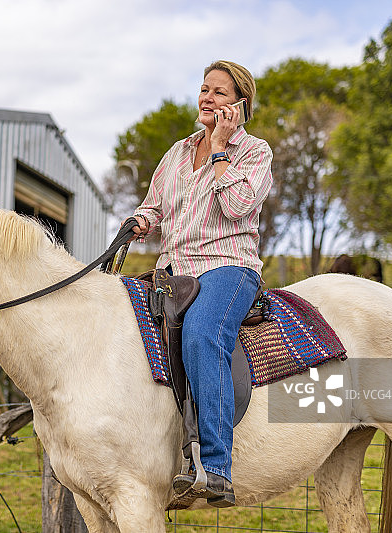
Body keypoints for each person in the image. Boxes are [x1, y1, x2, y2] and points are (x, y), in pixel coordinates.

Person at [128, 60, 273, 507]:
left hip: (227, 266)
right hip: (173, 270)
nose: (207, 98)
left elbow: (238, 206)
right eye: (204, 89)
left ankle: (214, 467)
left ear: (240, 105)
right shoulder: (176, 152)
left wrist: (220, 149)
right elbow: (155, 206)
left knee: (201, 334)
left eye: (219, 92)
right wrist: (141, 220)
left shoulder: (255, 152)